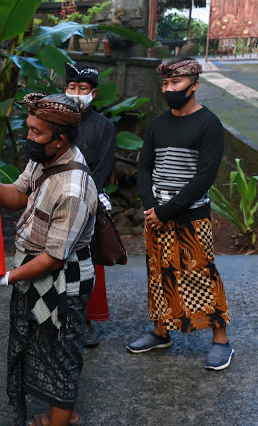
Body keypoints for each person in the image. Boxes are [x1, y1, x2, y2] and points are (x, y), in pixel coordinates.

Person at [0, 94, 97, 426]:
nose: (29, 138)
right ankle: (64, 415)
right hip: (36, 271)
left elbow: (54, 257)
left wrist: (7, 277)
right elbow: (17, 196)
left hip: (63, 282)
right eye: (28, 129)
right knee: (41, 347)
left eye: (36, 133)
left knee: (61, 353)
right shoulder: (43, 159)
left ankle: (60, 421)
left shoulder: (73, 188)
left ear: (60, 140)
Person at [129, 57, 233, 370]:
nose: (169, 89)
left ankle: (221, 340)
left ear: (194, 85)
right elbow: (145, 166)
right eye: (165, 83)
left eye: (176, 83)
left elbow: (204, 177)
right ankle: (161, 332)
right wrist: (151, 205)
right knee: (159, 275)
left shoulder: (209, 124)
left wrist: (166, 210)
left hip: (191, 214)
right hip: (156, 212)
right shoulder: (158, 124)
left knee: (201, 274)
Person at [64, 63, 117, 347]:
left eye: (82, 89)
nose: (76, 93)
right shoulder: (57, 122)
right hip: (56, 199)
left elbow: (105, 164)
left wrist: (84, 197)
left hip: (90, 199)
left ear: (93, 93)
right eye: (71, 88)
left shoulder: (104, 126)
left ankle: (87, 319)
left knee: (89, 261)